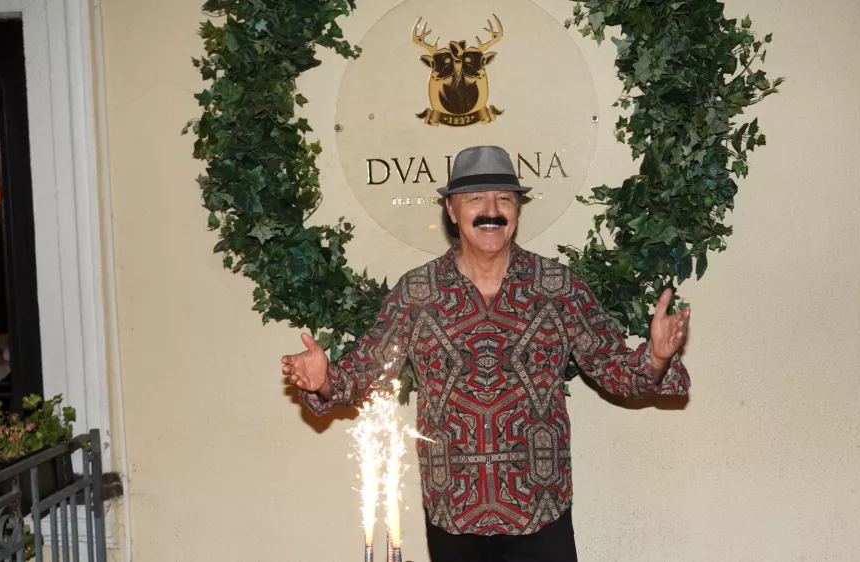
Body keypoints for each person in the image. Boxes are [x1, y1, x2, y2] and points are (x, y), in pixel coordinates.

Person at [282, 145, 692, 562]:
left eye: (505, 199)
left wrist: (656, 357)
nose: (491, 210)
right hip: (453, 514)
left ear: (517, 208)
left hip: (541, 510)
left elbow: (616, 371)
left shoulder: (559, 286)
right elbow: (363, 373)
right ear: (451, 209)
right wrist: (325, 379)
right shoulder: (416, 293)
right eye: (475, 199)